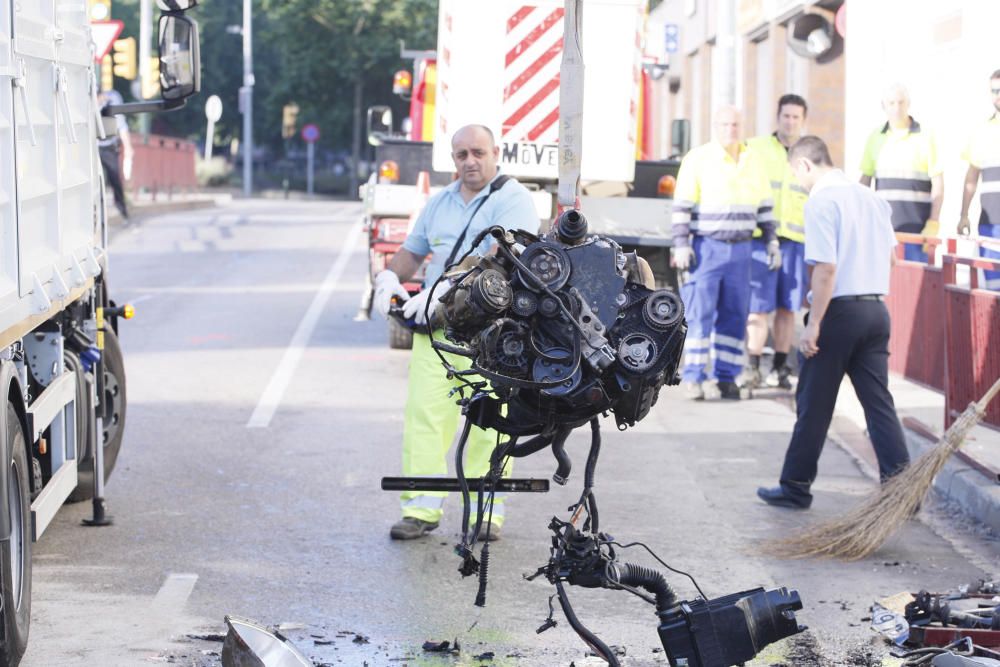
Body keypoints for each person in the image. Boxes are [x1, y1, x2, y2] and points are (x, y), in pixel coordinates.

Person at [373, 124, 540, 540]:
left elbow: (499, 256)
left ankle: (486, 513)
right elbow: (413, 252)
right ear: (453, 159)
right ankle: (421, 510)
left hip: (493, 330)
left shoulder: (513, 198)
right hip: (439, 329)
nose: (470, 161)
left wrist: (440, 290)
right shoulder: (440, 202)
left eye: (478, 152)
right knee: (425, 416)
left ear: (495, 153)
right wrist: (389, 280)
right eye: (462, 154)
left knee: (490, 422)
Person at [757, 136, 910, 510]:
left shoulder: (822, 200)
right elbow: (892, 260)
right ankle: (903, 490)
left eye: (797, 176)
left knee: (813, 402)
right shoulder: (872, 198)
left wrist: (813, 325)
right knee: (879, 406)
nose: (799, 183)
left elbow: (825, 269)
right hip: (876, 311)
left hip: (839, 314)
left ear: (805, 165)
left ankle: (795, 486)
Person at [671, 106, 777, 401]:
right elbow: (681, 207)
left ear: (742, 126)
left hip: (742, 249)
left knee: (734, 315)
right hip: (707, 248)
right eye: (725, 124)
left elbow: (766, 207)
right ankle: (693, 378)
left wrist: (771, 241)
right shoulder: (698, 159)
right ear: (715, 126)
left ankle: (726, 378)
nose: (731, 128)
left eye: (735, 124)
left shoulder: (753, 160)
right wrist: (681, 244)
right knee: (700, 314)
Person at [745, 94, 810, 390]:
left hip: (797, 242)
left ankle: (782, 368)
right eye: (786, 116)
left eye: (796, 117)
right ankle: (753, 367)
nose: (791, 121)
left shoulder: (811, 153)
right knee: (758, 308)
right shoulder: (757, 148)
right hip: (762, 239)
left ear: (803, 120)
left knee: (787, 308)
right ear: (778, 117)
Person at [860, 83, 942, 262]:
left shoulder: (925, 136)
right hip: (883, 231)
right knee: (884, 286)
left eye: (901, 102)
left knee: (915, 287)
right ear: (884, 106)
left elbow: (938, 182)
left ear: (908, 104)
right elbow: (864, 182)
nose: (896, 108)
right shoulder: (875, 138)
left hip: (918, 232)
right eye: (891, 103)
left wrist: (933, 222)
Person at [958, 69, 1000, 290]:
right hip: (990, 225)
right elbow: (971, 178)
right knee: (994, 291)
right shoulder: (981, 132)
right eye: (994, 91)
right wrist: (964, 215)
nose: (998, 95)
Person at [97, 89, 134, 223]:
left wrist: (128, 147)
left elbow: (121, 124)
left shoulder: (113, 99)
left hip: (109, 147)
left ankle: (123, 212)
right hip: (92, 146)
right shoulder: (87, 102)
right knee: (95, 182)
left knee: (115, 179)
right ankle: (97, 215)